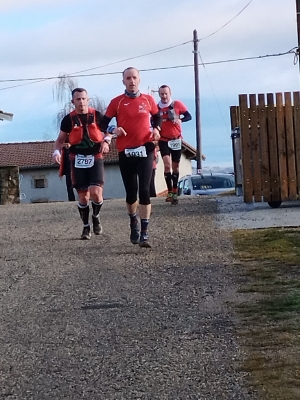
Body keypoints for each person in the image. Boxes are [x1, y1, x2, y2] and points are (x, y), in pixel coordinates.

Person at [100, 67, 161, 248]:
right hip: (126, 151)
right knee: (131, 192)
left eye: (134, 78)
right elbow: (103, 123)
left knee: (144, 189)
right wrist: (113, 130)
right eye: (128, 78)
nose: (132, 81)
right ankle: (133, 220)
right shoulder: (117, 102)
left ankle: (144, 232)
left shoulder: (148, 100)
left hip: (146, 149)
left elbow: (157, 117)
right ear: (123, 81)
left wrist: (157, 129)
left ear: (139, 80)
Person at [52, 87, 110, 240]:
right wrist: (56, 152)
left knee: (97, 194)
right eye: (78, 99)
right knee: (83, 197)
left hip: (95, 156)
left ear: (88, 100)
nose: (81, 102)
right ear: (73, 102)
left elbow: (108, 131)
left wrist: (106, 142)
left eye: (84, 98)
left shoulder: (97, 115)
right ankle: (86, 227)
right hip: (77, 159)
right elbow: (59, 141)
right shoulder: (68, 120)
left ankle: (96, 216)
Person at [157, 85, 192, 205]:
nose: (164, 96)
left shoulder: (177, 104)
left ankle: (175, 190)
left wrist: (180, 120)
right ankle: (170, 191)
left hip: (176, 139)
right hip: (163, 139)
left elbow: (189, 116)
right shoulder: (157, 108)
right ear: (159, 94)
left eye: (166, 93)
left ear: (170, 93)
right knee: (167, 166)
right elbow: (152, 120)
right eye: (161, 94)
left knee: (175, 166)